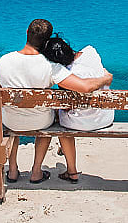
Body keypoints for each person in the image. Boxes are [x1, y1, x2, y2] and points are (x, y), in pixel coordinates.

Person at [0, 19, 112, 184]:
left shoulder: (3, 61)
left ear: (27, 32)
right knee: (51, 121)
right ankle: (36, 172)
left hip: (11, 120)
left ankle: (12, 170)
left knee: (12, 124)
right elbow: (84, 87)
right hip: (40, 122)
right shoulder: (50, 66)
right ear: (46, 41)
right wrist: (105, 78)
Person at [41, 35, 114, 183]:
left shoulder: (66, 75)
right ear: (66, 45)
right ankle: (64, 151)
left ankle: (72, 172)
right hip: (105, 117)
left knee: (59, 123)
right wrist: (105, 78)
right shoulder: (90, 51)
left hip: (79, 123)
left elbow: (67, 108)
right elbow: (102, 70)